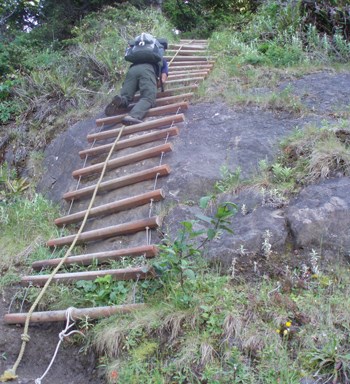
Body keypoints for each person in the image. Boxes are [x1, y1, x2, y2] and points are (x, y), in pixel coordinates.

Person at [105, 57, 168, 125]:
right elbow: (162, 80)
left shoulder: (139, 58)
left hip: (132, 70)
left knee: (126, 96)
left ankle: (121, 101)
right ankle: (133, 116)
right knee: (148, 98)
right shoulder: (162, 60)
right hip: (147, 71)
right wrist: (153, 86)